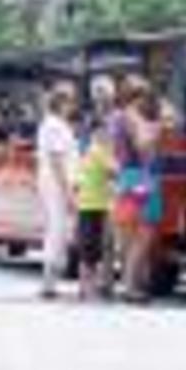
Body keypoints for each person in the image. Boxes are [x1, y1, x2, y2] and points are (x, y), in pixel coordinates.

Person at [112, 77, 163, 302]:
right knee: (143, 235)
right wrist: (156, 130)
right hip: (141, 177)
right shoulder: (134, 117)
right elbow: (142, 145)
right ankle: (130, 287)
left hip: (125, 177)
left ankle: (127, 282)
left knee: (129, 236)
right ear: (139, 96)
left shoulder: (117, 118)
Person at [36, 83, 79, 299]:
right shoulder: (55, 125)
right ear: (62, 102)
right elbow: (57, 160)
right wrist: (68, 192)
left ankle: (50, 280)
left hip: (51, 183)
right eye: (71, 101)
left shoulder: (52, 124)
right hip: (56, 184)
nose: (73, 105)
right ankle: (49, 282)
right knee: (57, 230)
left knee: (56, 229)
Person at [75, 120, 117, 300]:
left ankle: (85, 287)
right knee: (93, 248)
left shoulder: (88, 151)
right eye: (103, 132)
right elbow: (114, 170)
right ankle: (88, 287)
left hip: (87, 203)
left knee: (88, 248)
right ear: (96, 133)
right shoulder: (99, 151)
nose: (106, 135)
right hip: (96, 204)